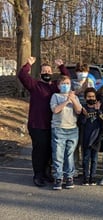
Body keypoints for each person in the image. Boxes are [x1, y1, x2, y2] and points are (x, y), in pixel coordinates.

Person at [17, 57, 70, 187]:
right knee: (39, 150)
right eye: (44, 71)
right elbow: (22, 75)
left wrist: (61, 66)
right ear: (40, 74)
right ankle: (38, 175)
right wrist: (28, 64)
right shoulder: (34, 85)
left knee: (50, 150)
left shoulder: (55, 87)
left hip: (52, 124)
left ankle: (47, 173)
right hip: (37, 124)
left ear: (52, 73)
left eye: (49, 71)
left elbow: (67, 79)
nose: (47, 73)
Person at [50, 75, 82, 190]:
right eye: (63, 84)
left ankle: (69, 176)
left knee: (70, 155)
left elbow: (78, 110)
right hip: (59, 128)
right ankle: (58, 177)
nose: (66, 86)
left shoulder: (75, 97)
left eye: (68, 83)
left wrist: (72, 99)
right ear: (58, 85)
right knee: (58, 154)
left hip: (72, 129)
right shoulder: (55, 96)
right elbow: (55, 110)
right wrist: (66, 101)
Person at [77, 87, 103, 186]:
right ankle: (85, 177)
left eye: (93, 96)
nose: (91, 98)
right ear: (85, 98)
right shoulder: (83, 108)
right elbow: (81, 123)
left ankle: (92, 177)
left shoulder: (98, 108)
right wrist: (84, 115)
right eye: (89, 97)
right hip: (86, 137)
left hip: (96, 137)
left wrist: (98, 111)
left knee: (94, 159)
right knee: (85, 158)